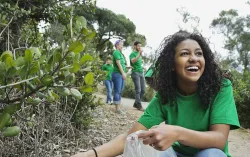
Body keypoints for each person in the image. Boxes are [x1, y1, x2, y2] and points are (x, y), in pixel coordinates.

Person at [71, 30, 240, 157]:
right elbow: (130, 138)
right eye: (184, 54)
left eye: (199, 54)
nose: (194, 58)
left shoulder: (221, 87)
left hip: (208, 154)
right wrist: (89, 154)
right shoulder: (166, 95)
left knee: (212, 154)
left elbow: (219, 139)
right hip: (175, 154)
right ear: (172, 64)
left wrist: (176, 133)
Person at [111, 40, 127, 114]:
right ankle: (117, 109)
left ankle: (118, 108)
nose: (122, 46)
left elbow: (122, 64)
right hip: (117, 74)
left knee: (120, 91)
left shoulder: (120, 53)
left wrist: (127, 67)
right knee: (117, 91)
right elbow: (118, 63)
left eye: (122, 45)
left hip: (120, 74)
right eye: (121, 45)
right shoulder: (116, 52)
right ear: (117, 45)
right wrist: (123, 73)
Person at [129, 41, 145, 111]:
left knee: (143, 90)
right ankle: (139, 105)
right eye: (138, 46)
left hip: (141, 72)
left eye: (140, 46)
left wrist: (143, 67)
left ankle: (136, 103)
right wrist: (139, 54)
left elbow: (139, 63)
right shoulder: (132, 54)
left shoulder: (140, 55)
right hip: (135, 73)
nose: (139, 47)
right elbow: (133, 61)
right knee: (138, 90)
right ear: (135, 46)